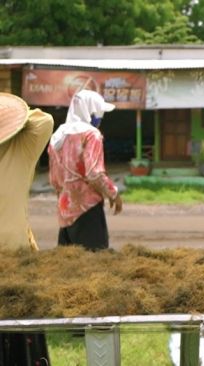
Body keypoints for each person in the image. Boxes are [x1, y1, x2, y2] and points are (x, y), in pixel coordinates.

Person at [0, 92, 53, 365]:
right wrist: (16, 117)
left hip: (15, 258)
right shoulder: (22, 149)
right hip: (16, 256)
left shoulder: (20, 150)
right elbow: (44, 120)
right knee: (20, 329)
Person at [48, 89, 122, 250]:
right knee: (94, 265)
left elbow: (54, 180)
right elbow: (94, 173)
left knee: (69, 264)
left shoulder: (57, 136)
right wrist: (113, 193)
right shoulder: (91, 134)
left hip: (64, 211)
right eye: (100, 113)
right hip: (87, 210)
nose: (101, 118)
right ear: (92, 112)